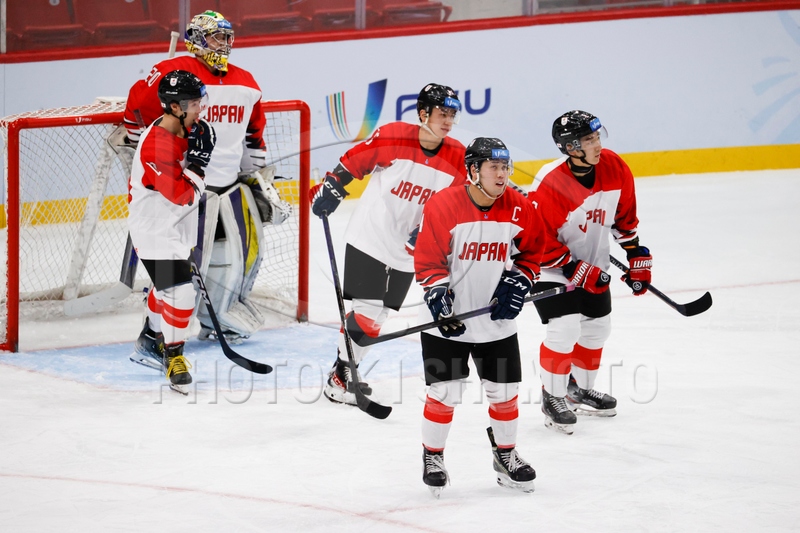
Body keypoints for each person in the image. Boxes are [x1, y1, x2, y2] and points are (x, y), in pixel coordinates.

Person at [125, 10, 291, 357]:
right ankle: (156, 332)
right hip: (184, 191)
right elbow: (137, 111)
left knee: (236, 261)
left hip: (228, 191)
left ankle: (217, 320)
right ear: (198, 39)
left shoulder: (247, 82)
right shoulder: (172, 73)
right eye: (217, 37)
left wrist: (257, 178)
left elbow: (253, 136)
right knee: (178, 271)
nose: (224, 44)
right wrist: (148, 162)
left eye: (228, 37)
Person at [309, 83, 467, 406]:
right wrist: (334, 184)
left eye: (452, 115)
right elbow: (356, 160)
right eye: (442, 113)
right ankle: (340, 376)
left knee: (378, 318)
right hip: (371, 236)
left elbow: (458, 202)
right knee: (367, 312)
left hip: (408, 252)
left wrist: (431, 232)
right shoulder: (395, 136)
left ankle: (343, 371)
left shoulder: (458, 156)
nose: (448, 121)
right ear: (423, 113)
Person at [413, 138, 545, 496]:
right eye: (493, 168)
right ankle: (433, 456)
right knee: (445, 391)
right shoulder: (443, 205)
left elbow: (534, 251)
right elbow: (427, 259)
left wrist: (520, 280)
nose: (502, 175)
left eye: (505, 167)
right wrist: (437, 293)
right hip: (448, 322)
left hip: (495, 320)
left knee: (505, 392)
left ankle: (506, 455)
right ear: (473, 171)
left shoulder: (518, 206)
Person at [528, 110, 653, 434]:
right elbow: (537, 240)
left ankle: (578, 390)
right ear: (570, 147)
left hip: (592, 263)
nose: (597, 144)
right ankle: (552, 398)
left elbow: (624, 218)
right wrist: (572, 267)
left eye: (597, 137)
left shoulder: (615, 167)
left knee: (597, 329)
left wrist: (635, 253)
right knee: (564, 329)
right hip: (548, 267)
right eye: (588, 140)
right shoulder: (551, 181)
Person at [127, 70, 215, 394]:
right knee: (181, 293)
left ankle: (150, 338)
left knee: (165, 289)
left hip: (176, 225)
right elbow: (182, 195)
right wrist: (200, 163)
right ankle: (173, 356)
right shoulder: (156, 146)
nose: (200, 108)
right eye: (194, 103)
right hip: (154, 232)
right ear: (175, 107)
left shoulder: (183, 127)